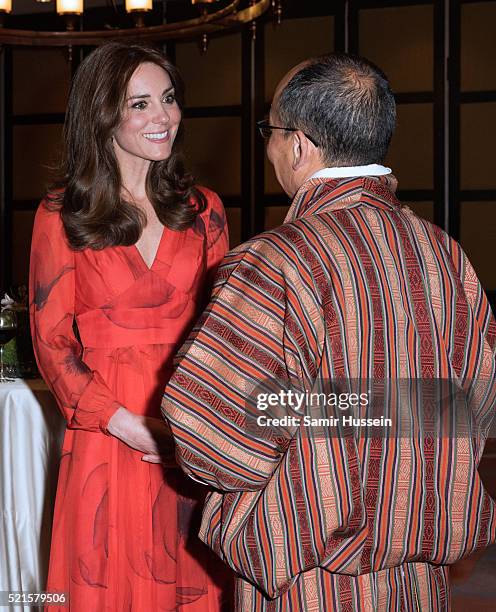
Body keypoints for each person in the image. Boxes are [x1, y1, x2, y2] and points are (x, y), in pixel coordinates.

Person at [161, 54, 496, 610]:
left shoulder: (274, 261)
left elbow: (212, 435)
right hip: (419, 582)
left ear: (299, 144)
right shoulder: (443, 254)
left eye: (270, 132)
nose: (268, 148)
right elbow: (475, 404)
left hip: (309, 583)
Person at [29, 42, 231, 611]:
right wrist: (125, 425)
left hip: (188, 427)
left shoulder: (205, 210)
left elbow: (222, 335)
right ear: (103, 115)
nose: (162, 117)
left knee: (192, 578)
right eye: (139, 104)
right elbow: (52, 343)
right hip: (104, 433)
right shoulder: (60, 214)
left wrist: (199, 427)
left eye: (167, 99)